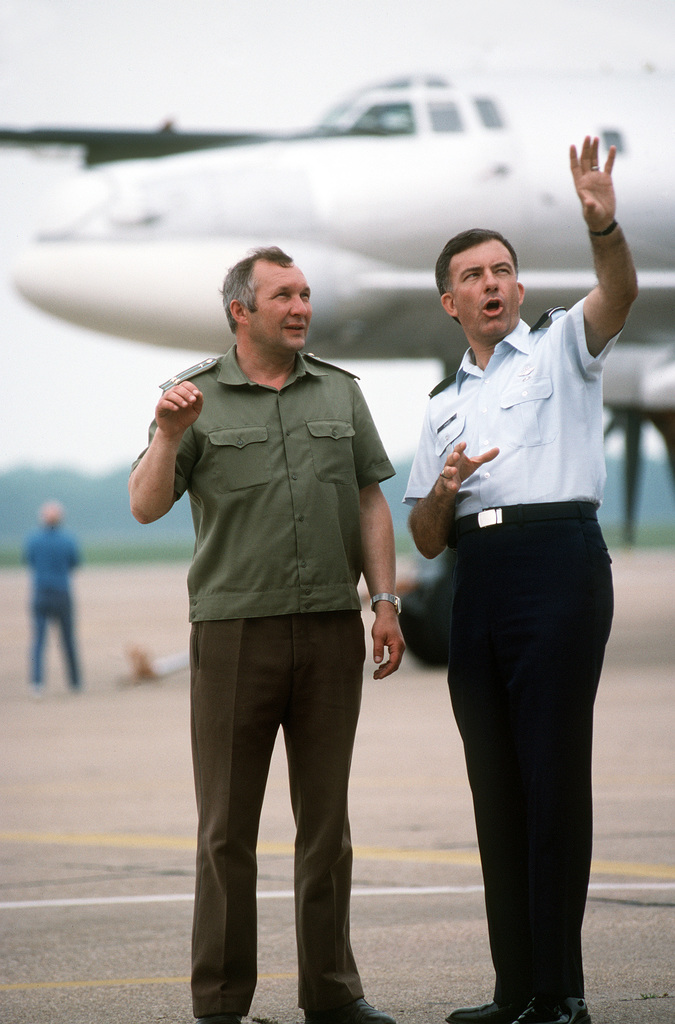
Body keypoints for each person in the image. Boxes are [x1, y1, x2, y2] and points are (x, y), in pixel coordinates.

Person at [129, 245, 405, 1024]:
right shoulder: (187, 397)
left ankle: (333, 995)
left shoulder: (341, 395)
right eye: (284, 295)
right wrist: (165, 434)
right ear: (239, 311)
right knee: (225, 831)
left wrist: (383, 600)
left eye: (306, 294)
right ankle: (220, 1004)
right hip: (232, 633)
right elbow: (146, 505)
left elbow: (369, 502)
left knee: (326, 827)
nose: (301, 307)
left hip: (328, 630)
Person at [404, 137, 638, 1024]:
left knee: (550, 779)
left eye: (503, 269)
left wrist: (601, 223)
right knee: (495, 788)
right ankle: (513, 992)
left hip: (556, 568)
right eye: (475, 274)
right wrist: (449, 490)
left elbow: (618, 295)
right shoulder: (438, 407)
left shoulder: (561, 350)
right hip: (478, 579)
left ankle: (561, 993)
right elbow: (426, 535)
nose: (494, 283)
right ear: (450, 300)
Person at [24, 500, 82, 695]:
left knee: (39, 640)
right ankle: (75, 683)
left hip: (40, 592)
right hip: (62, 592)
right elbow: (75, 562)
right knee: (68, 640)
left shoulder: (33, 540)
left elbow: (29, 561)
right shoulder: (68, 540)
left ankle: (37, 683)